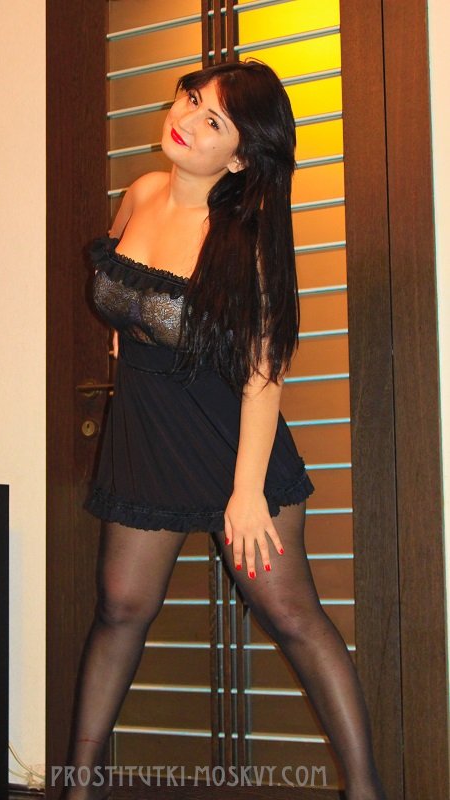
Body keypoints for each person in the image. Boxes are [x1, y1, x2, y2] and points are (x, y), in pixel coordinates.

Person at [61, 60, 386, 800]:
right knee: (120, 607)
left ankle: (366, 790)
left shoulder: (246, 239)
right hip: (148, 434)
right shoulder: (141, 193)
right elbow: (123, 299)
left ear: (239, 157)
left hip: (232, 441)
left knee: (291, 615)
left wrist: (245, 495)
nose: (186, 119)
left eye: (213, 121)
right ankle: (76, 789)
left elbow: (263, 378)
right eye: (191, 98)